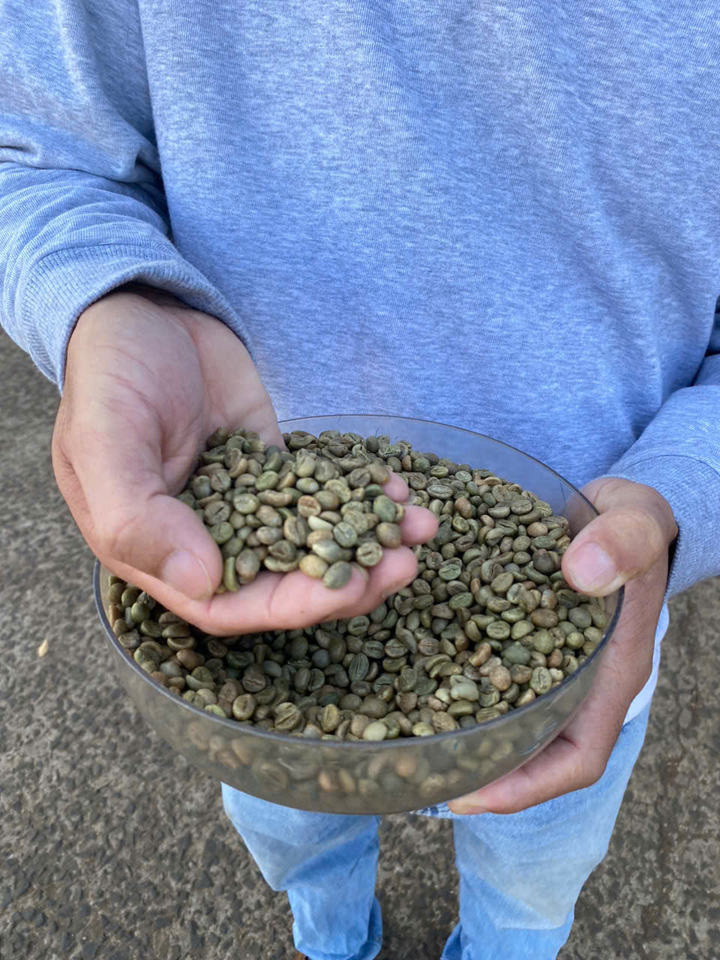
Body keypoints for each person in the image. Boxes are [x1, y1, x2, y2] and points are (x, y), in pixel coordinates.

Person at [1, 3, 718, 958]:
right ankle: (333, 937)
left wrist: (681, 484)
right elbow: (38, 148)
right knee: (298, 840)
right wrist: (111, 301)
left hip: (589, 603)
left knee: (535, 877)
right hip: (247, 613)